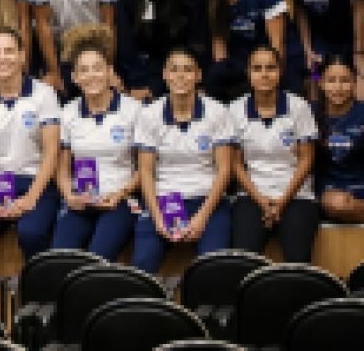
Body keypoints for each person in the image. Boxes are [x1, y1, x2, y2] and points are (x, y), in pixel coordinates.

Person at [0, 28, 61, 275]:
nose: (2, 58)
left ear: (22, 56)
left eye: (9, 51)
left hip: (35, 182)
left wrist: (31, 198)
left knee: (32, 233)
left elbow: (51, 151)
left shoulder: (44, 95)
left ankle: (38, 306)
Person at [132, 46, 233, 274]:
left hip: (208, 200)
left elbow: (225, 170)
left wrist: (201, 217)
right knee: (143, 263)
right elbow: (146, 172)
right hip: (164, 199)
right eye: (174, 70)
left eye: (188, 70)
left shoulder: (217, 112)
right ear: (164, 74)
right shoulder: (149, 114)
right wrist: (158, 218)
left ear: (198, 75)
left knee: (212, 267)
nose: (180, 76)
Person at [51, 25, 141, 261]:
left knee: (97, 257)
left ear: (110, 72)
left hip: (119, 201)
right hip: (80, 200)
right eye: (84, 70)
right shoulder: (68, 112)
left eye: (97, 69)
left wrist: (121, 193)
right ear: (75, 77)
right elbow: (62, 166)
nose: (91, 75)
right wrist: (69, 194)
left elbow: (146, 168)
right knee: (61, 257)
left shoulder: (134, 111)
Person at [228, 46, 319, 263]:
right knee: (243, 260)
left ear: (280, 71)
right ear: (248, 73)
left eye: (271, 67)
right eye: (257, 68)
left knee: (298, 260)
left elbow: (307, 159)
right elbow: (236, 165)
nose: (264, 74)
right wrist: (262, 201)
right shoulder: (235, 109)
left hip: (296, 195)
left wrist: (281, 202)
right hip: (252, 195)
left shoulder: (299, 107)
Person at [208, 0, 287, 102]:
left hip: (270, 61)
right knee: (214, 78)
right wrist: (223, 74)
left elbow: (277, 43)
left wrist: (267, 77)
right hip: (240, 62)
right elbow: (219, 39)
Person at [313, 55, 364, 223]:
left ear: (354, 82)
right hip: (330, 191)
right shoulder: (310, 113)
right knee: (338, 204)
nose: (338, 87)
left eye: (345, 80)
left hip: (360, 186)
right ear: (321, 83)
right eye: (331, 80)